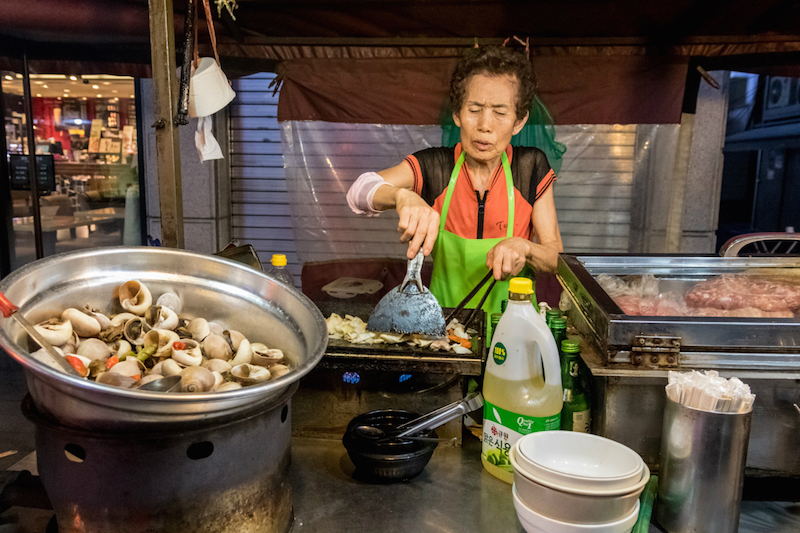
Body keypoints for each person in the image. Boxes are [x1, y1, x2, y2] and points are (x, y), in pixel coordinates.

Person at [346, 45, 563, 317]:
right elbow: (358, 192)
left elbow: (555, 258)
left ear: (518, 122)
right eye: (474, 110)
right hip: (443, 328)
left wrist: (524, 247)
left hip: (513, 327)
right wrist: (403, 197)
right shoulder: (435, 166)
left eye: (499, 112)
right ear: (457, 114)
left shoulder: (530, 167)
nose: (485, 125)